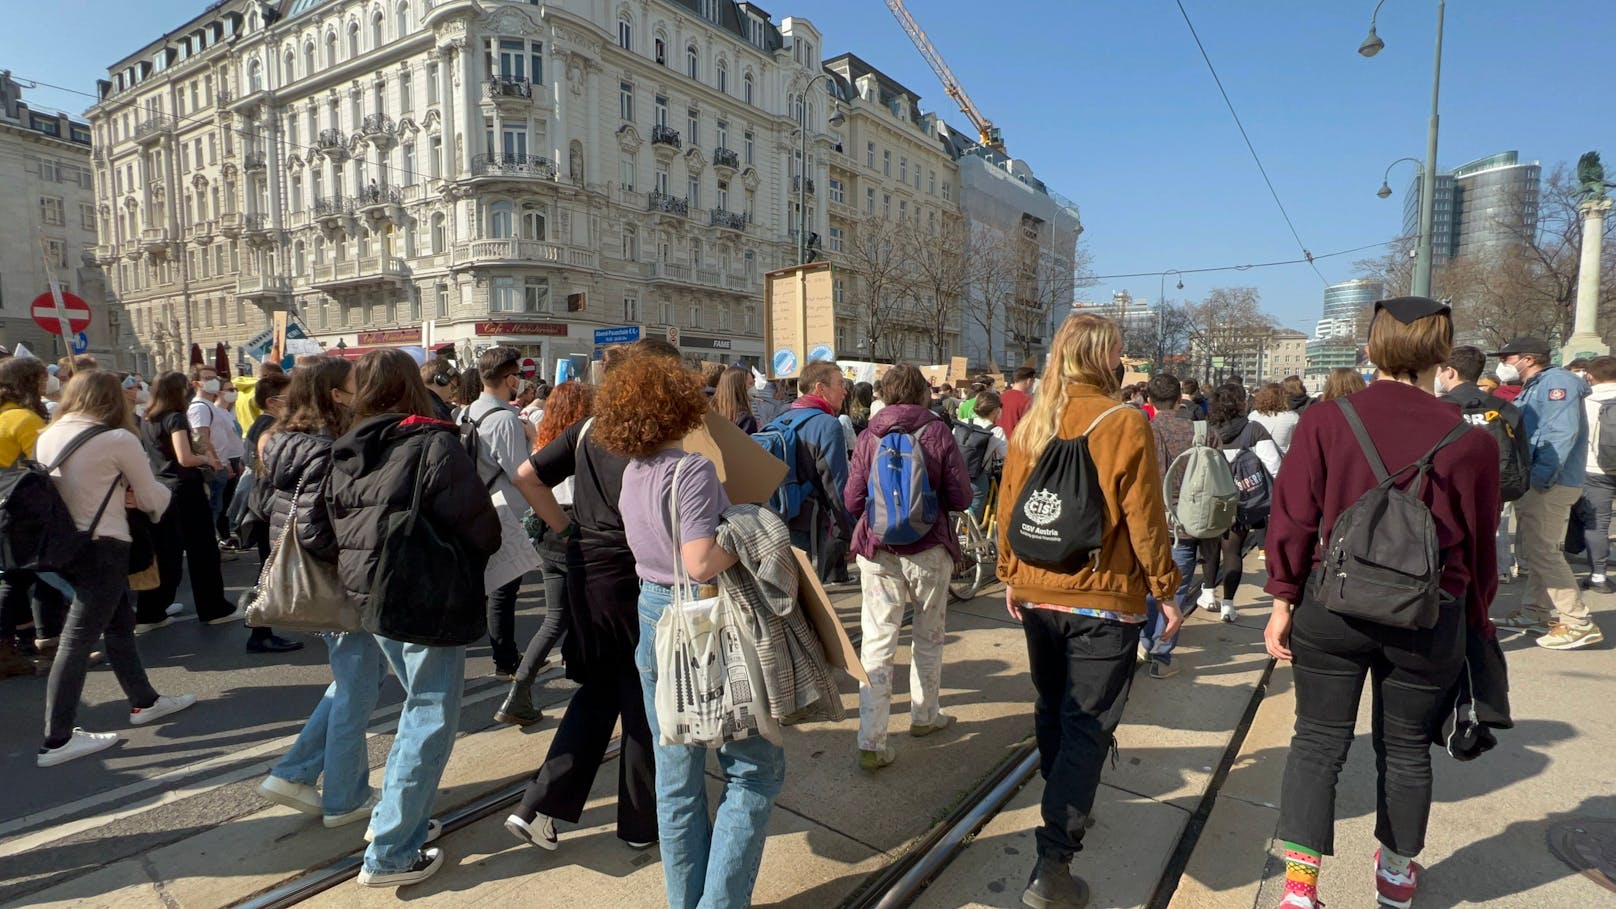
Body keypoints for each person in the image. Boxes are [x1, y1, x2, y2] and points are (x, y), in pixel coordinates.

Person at [1262, 297, 1501, 909]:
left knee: (1316, 741)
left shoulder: (1325, 420)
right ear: (1442, 356)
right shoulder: (1472, 442)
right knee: (1404, 749)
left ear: (1370, 350)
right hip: (1427, 616)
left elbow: (1291, 520)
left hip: (1333, 605)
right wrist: (1476, 621)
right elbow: (1480, 552)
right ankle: (1395, 878)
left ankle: (1298, 890)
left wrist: (1283, 598)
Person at [996, 313, 1181, 909]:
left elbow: (1007, 506)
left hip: (1037, 592)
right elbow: (1146, 520)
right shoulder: (1125, 423)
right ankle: (1053, 863)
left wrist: (1010, 575)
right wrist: (1167, 590)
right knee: (1088, 726)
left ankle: (1062, 803)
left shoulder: (1034, 420)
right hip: (1103, 599)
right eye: (1121, 355)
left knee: (1053, 707)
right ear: (1105, 360)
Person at [605, 351, 781, 909]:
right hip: (702, 618)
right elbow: (702, 561)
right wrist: (751, 527)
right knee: (754, 769)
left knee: (677, 781)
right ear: (677, 405)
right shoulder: (692, 469)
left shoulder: (632, 472)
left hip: (653, 616)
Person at [327, 349, 500, 887]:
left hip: (372, 597)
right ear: (411, 388)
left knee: (415, 709)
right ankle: (391, 851)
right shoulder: (432, 441)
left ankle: (393, 821)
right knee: (429, 715)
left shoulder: (348, 447)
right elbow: (482, 528)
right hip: (427, 596)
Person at [501, 343, 659, 855]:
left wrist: (566, 527)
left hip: (586, 569)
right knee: (638, 694)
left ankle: (539, 807)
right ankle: (639, 823)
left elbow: (525, 476)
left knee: (601, 689)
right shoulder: (651, 433)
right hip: (634, 572)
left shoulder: (588, 428)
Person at [34, 371, 194, 767]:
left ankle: (145, 700)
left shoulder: (47, 434)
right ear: (112, 399)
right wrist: (160, 495)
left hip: (65, 544)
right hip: (105, 542)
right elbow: (152, 495)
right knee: (78, 639)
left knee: (119, 623)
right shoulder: (117, 439)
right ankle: (57, 739)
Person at [256, 357, 389, 825]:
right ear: (335, 395)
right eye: (354, 385)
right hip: (341, 581)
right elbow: (318, 529)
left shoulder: (282, 443)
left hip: (317, 582)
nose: (361, 392)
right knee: (357, 688)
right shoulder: (326, 449)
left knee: (356, 682)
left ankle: (294, 772)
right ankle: (344, 798)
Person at [844, 365, 973, 770]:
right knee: (929, 636)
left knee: (878, 642)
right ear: (923, 394)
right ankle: (925, 716)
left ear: (884, 394)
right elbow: (962, 496)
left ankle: (872, 740)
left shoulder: (868, 435)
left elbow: (851, 501)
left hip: (879, 552)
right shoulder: (938, 433)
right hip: (929, 549)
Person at [1490, 337, 1601, 649]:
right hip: (1544, 480)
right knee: (1538, 550)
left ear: (1527, 359)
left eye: (1507, 357)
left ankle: (1577, 621)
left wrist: (1538, 478)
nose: (1504, 364)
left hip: (1550, 481)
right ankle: (1536, 612)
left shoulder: (1556, 384)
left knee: (1542, 552)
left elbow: (1559, 434)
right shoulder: (1538, 384)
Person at [494, 381, 593, 726]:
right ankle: (586, 682)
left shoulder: (543, 438)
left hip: (547, 532)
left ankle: (519, 691)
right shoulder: (584, 441)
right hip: (575, 527)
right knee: (585, 613)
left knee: (555, 617)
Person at [136, 371, 235, 628]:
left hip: (161, 486)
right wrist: (207, 459)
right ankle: (214, 608)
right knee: (203, 551)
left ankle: (151, 610)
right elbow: (185, 458)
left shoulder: (148, 418)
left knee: (167, 553)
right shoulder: (176, 418)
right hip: (185, 489)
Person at [465, 347, 534, 679]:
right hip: (506, 509)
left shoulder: (468, 412)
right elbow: (521, 472)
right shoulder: (505, 419)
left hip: (478, 503)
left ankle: (505, 655)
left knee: (492, 586)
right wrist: (533, 440)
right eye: (518, 375)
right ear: (508, 379)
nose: (519, 382)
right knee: (505, 589)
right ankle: (505, 660)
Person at [1436, 345, 1528, 586]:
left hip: (1448, 492)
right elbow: (1521, 451)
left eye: (1440, 371)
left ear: (1451, 372)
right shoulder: (1504, 407)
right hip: (1495, 488)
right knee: (1486, 545)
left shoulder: (1439, 408)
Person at [1196, 384, 1282, 623]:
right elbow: (1275, 466)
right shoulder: (1254, 429)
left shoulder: (1205, 430)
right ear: (1241, 404)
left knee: (1210, 547)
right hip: (1243, 501)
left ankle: (1208, 592)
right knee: (1233, 551)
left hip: (1213, 499)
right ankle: (1228, 605)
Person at [1141, 372, 1205, 680]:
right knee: (1176, 588)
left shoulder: (1143, 431)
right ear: (1180, 399)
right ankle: (1162, 656)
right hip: (1189, 521)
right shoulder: (1200, 432)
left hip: (1151, 520)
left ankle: (1143, 642)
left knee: (1150, 586)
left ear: (1149, 401)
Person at [767, 360, 851, 583]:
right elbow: (837, 487)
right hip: (808, 528)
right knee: (810, 597)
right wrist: (850, 533)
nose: (845, 390)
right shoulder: (827, 425)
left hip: (775, 521)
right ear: (820, 388)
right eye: (840, 384)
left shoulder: (781, 416)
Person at [241, 372, 302, 655]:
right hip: (268, 508)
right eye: (289, 397)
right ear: (272, 401)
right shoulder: (269, 428)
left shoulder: (263, 425)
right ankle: (259, 632)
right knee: (268, 573)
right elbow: (273, 472)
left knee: (269, 571)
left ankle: (261, 629)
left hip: (263, 507)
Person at [0, 356, 54, 676]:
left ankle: (22, 643)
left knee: (13, 578)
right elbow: (48, 465)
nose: (46, 385)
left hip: (6, 508)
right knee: (17, 580)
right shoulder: (24, 419)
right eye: (41, 379)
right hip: (23, 509)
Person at [187, 364, 247, 552]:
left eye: (214, 377)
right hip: (212, 467)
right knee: (212, 510)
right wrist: (216, 461)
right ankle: (208, 549)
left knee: (218, 507)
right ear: (196, 383)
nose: (213, 381)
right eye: (207, 378)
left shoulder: (209, 406)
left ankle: (213, 546)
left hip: (220, 464)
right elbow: (201, 438)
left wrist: (226, 461)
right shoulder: (199, 407)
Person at [1579, 356, 1616, 593]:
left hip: (1595, 470)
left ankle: (1599, 576)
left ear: (1589, 376)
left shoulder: (1585, 401)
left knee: (1598, 524)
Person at [957, 390, 1009, 520]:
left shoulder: (963, 422)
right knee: (972, 518)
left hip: (956, 473)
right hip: (977, 477)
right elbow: (1006, 455)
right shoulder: (996, 431)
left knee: (956, 510)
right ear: (995, 410)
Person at [1250, 382, 1299, 454]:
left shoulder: (1253, 416)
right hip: (1282, 458)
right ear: (1284, 397)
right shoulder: (1292, 417)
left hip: (1257, 457)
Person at [711, 365, 759, 434]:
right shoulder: (746, 420)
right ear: (738, 388)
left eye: (754, 384)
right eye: (750, 384)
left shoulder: (710, 410)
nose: (754, 388)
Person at [998, 366, 1037, 438]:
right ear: (1028, 381)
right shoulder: (1027, 400)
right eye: (1033, 382)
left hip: (998, 442)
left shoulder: (1000, 397)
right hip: (1016, 443)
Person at [420, 357, 459, 423]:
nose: (451, 395)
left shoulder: (415, 403)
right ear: (442, 380)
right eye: (452, 388)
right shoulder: (437, 411)